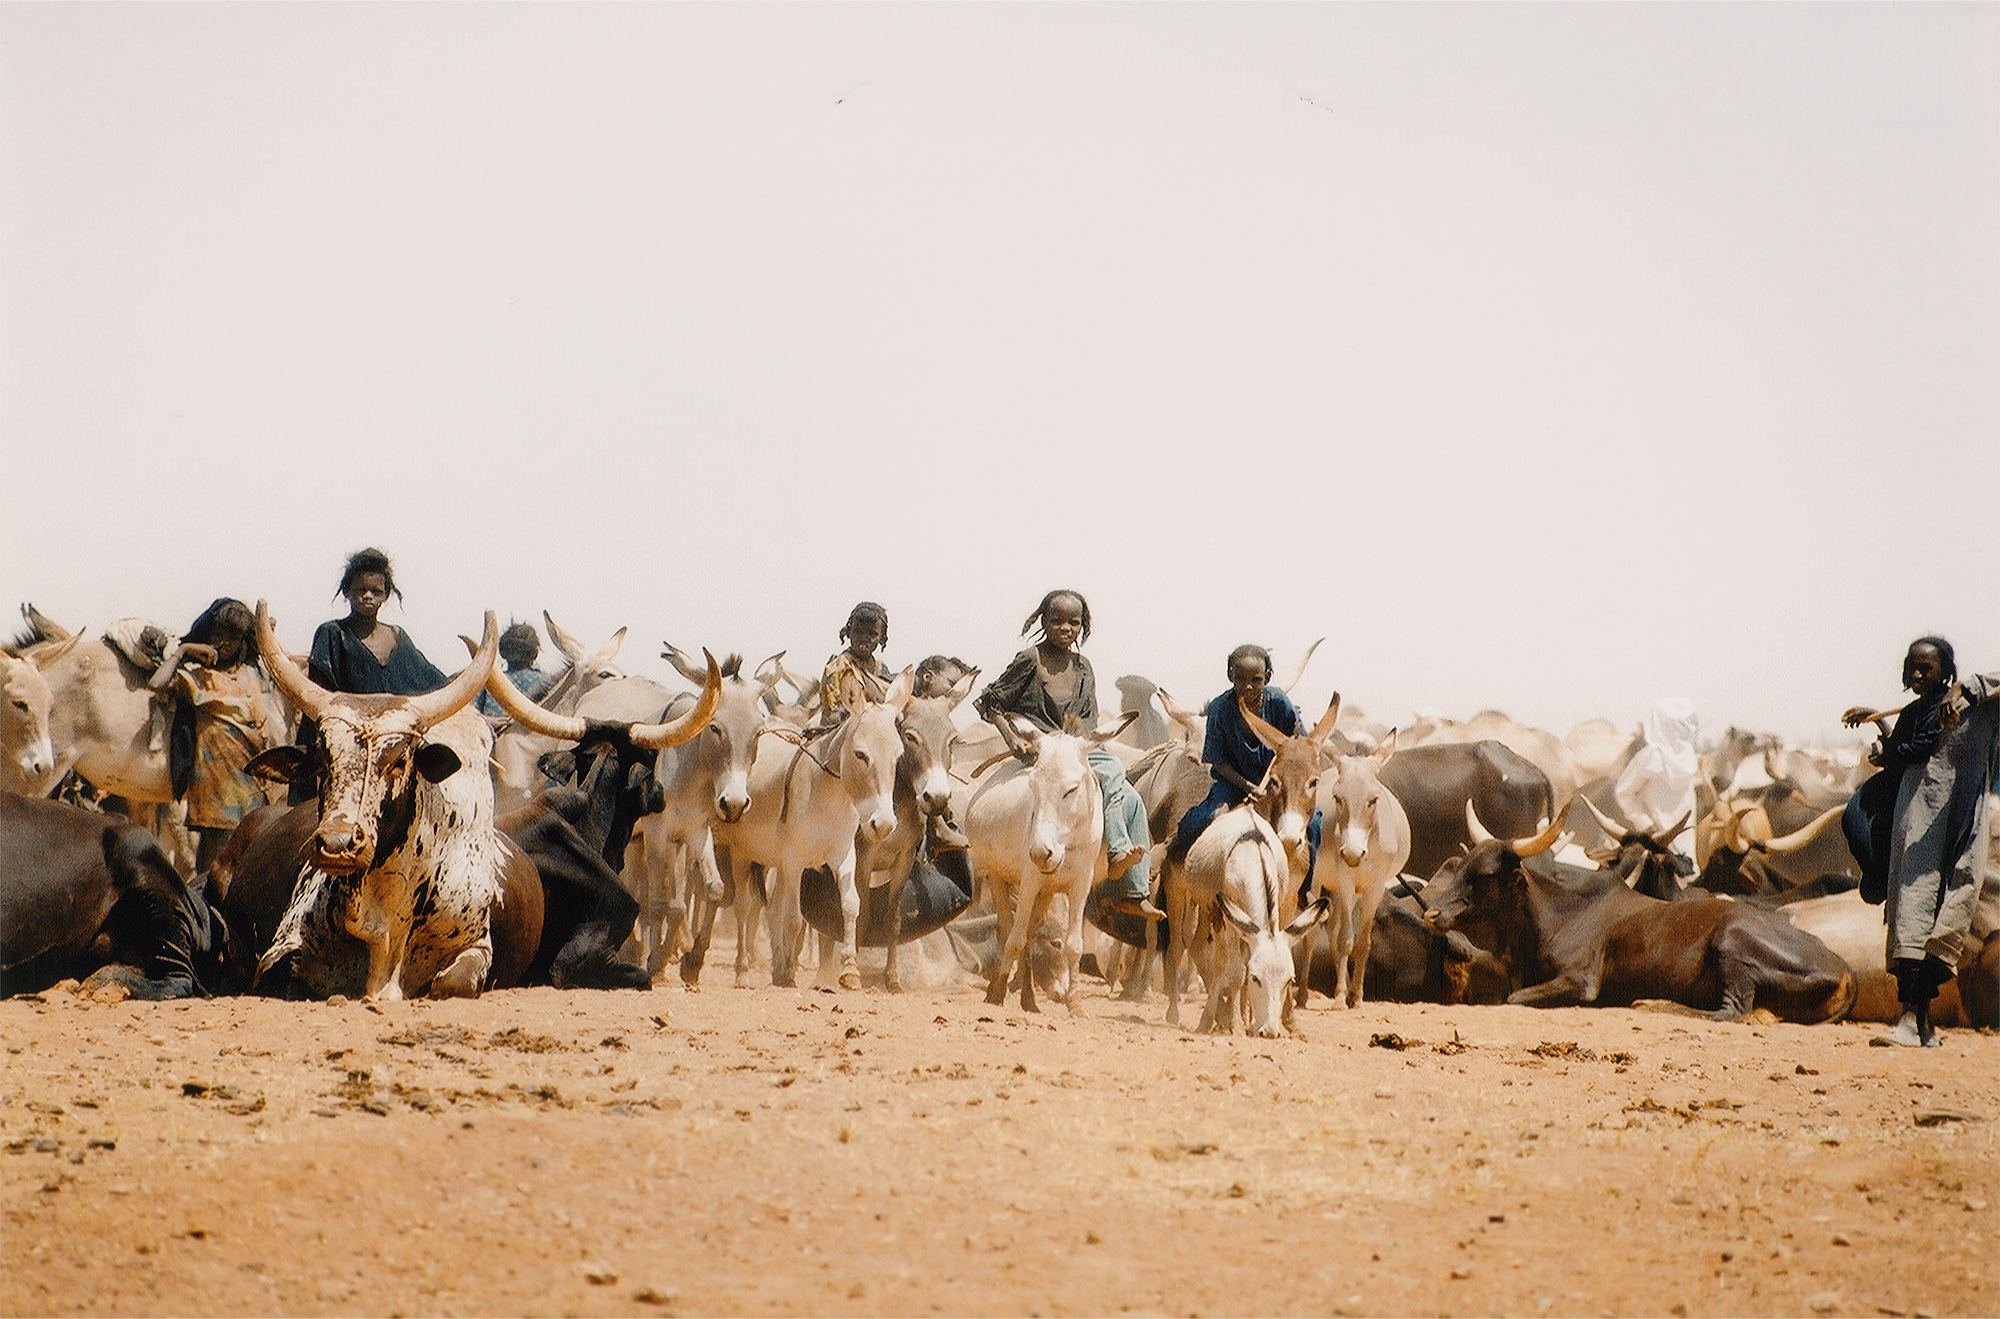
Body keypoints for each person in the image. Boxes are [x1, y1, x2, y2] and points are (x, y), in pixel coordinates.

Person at [1842, 636, 2000, 1047]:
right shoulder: (1916, 711)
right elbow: (1907, 750)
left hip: (1953, 830)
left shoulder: (1973, 707)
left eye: (1925, 668)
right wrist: (1879, 728)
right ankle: (1917, 1020)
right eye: (1911, 667)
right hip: (1913, 828)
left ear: (1946, 671)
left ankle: (1915, 1021)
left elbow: (1923, 746)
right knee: (1908, 917)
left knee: (1939, 917)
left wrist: (1969, 689)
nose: (1915, 674)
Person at [973, 589, 1161, 922]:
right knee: (1106, 776)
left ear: (1083, 627)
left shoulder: (1084, 666)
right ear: (1043, 621)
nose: (1065, 628)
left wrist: (1082, 744)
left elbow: (1089, 714)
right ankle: (1115, 851)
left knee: (1128, 793)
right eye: (1056, 620)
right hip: (1040, 748)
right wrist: (1013, 739)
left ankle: (1134, 890)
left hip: (1074, 748)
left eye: (1074, 622)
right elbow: (991, 702)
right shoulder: (1029, 660)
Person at [1166, 644, 1323, 900]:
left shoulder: (1280, 702)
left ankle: (1305, 888)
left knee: (1315, 822)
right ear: (1230, 676)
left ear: (1267, 678)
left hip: (1277, 783)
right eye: (1240, 679)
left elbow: (1299, 747)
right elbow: (1218, 763)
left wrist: (1275, 782)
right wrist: (1248, 788)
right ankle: (1182, 867)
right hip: (1231, 782)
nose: (1248, 686)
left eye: (1256, 680)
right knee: (1203, 818)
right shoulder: (1219, 708)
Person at [293, 548, 449, 802]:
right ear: (347, 592)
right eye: (359, 590)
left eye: (376, 591)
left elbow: (432, 682)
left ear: (386, 595)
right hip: (349, 746)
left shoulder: (398, 637)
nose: (367, 596)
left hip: (392, 750)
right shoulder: (332, 634)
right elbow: (319, 696)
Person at [150, 598, 284, 874]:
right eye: (216, 635)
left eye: (231, 637)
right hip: (217, 792)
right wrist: (184, 651)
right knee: (213, 873)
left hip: (257, 789)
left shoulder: (255, 675)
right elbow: (156, 683)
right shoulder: (197, 676)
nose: (222, 643)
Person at [819, 602, 893, 726]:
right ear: (848, 632)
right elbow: (833, 715)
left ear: (881, 638)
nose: (864, 638)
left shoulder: (880, 668)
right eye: (858, 632)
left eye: (872, 634)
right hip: (841, 733)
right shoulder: (837, 667)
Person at [476, 621, 554, 717]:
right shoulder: (547, 682)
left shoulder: (489, 682)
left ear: (504, 652)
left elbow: (474, 714)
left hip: (492, 730)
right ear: (534, 653)